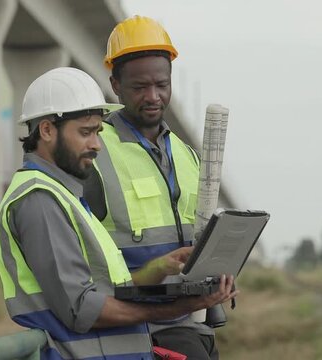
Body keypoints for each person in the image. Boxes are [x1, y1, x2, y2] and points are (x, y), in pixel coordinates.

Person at [0, 67, 236, 360]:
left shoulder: (66, 195)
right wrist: (182, 308)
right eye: (85, 132)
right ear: (46, 130)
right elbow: (82, 308)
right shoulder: (38, 200)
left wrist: (158, 268)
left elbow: (105, 290)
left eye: (98, 131)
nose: (96, 144)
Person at [83, 16, 222, 360]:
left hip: (191, 318)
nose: (153, 96)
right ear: (115, 84)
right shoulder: (95, 150)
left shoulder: (187, 155)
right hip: (134, 323)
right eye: (140, 87)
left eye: (162, 84)